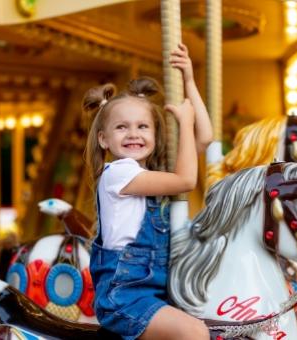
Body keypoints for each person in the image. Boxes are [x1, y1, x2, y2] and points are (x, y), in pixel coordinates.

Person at [83, 43, 212, 340]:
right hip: (124, 296)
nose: (133, 134)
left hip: (156, 290)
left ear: (154, 134)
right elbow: (186, 180)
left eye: (143, 126)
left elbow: (203, 139)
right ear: (103, 139)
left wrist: (189, 81)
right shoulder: (117, 174)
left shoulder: (148, 175)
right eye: (121, 127)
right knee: (194, 332)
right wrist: (185, 121)